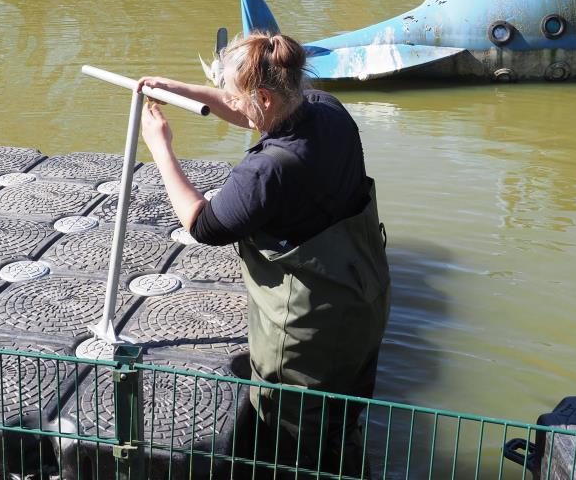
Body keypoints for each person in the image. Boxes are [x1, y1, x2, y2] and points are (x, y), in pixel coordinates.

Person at [137, 32, 391, 478]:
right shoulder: (326, 108)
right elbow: (246, 107)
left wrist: (161, 148)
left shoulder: (268, 170)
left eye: (235, 94)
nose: (229, 103)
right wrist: (180, 90)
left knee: (291, 441)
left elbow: (202, 224)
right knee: (342, 417)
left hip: (307, 334)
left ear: (264, 97)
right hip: (364, 298)